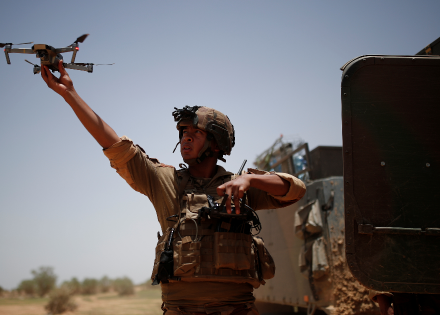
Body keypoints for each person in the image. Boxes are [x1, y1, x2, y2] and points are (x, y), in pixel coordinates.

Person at [41, 61, 306, 315]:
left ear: (217, 143)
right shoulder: (163, 180)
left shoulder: (239, 186)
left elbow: (295, 189)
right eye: (183, 132)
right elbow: (115, 146)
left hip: (238, 308)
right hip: (180, 309)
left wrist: (251, 179)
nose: (185, 138)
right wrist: (70, 94)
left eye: (196, 133)